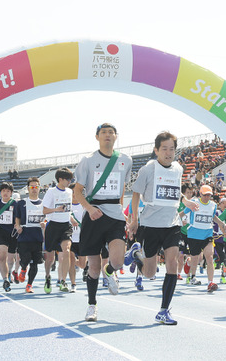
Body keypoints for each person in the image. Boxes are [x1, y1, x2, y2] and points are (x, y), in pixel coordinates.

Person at [127, 131, 198, 325]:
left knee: (172, 264)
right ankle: (136, 256)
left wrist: (186, 201)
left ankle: (164, 310)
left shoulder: (178, 168)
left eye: (172, 149)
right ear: (156, 150)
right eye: (164, 149)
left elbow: (174, 191)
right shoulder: (148, 169)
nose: (168, 152)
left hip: (172, 224)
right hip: (151, 225)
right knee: (149, 273)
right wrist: (134, 220)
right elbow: (135, 194)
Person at [73, 123, 133, 322]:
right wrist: (89, 209)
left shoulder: (125, 160)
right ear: (97, 136)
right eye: (103, 133)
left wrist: (122, 210)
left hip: (114, 215)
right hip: (93, 215)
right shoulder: (88, 161)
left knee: (116, 261)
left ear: (116, 136)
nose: (107, 135)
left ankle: (111, 272)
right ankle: (92, 305)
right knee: (93, 267)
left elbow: (122, 186)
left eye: (111, 132)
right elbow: (77, 191)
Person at [183, 184, 226, 292]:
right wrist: (179, 220)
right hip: (194, 234)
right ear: (200, 194)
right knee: (195, 258)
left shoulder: (213, 205)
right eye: (205, 195)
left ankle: (210, 282)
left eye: (209, 195)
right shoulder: (194, 203)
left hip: (207, 233)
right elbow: (183, 213)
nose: (207, 197)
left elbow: (213, 217)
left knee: (209, 256)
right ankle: (193, 276)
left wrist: (222, 225)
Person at [42, 168, 78, 293]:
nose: (70, 181)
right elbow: (44, 211)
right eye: (68, 179)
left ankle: (63, 280)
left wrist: (72, 219)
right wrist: (56, 210)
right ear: (60, 179)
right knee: (50, 258)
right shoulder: (51, 192)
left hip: (65, 226)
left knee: (67, 250)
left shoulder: (69, 191)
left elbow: (68, 209)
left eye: (71, 179)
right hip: (53, 226)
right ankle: (47, 276)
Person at [14, 177, 45, 293]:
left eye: (36, 187)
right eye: (32, 187)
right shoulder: (21, 203)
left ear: (39, 188)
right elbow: (17, 217)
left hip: (37, 236)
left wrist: (44, 223)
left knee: (35, 263)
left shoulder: (43, 204)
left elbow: (47, 217)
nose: (34, 189)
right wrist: (18, 226)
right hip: (24, 235)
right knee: (25, 258)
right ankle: (22, 268)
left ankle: (29, 285)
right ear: (28, 189)